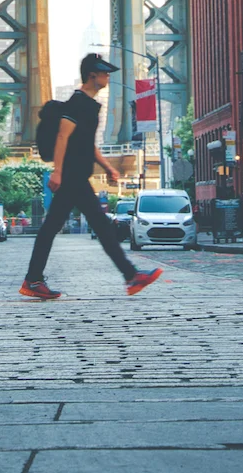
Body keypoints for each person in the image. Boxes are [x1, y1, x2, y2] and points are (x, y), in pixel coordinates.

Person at [20, 53, 163, 300]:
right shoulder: (79, 103)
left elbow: (87, 144)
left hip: (76, 176)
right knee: (96, 226)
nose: (108, 76)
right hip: (72, 177)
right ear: (91, 75)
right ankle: (131, 276)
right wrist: (57, 171)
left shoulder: (90, 105)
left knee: (57, 228)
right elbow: (63, 136)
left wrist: (108, 167)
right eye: (104, 72)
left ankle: (33, 279)